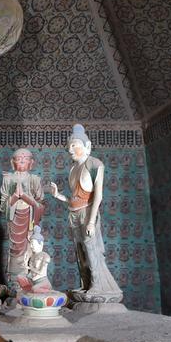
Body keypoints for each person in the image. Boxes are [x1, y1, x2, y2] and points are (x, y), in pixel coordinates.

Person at [49, 124, 122, 299]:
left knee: (91, 248)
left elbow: (98, 196)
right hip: (73, 213)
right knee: (79, 249)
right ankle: (86, 283)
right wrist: (58, 195)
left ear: (87, 146)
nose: (70, 149)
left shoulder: (94, 164)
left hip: (88, 213)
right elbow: (74, 198)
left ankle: (98, 285)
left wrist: (91, 221)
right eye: (69, 146)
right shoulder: (73, 169)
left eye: (74, 145)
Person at [0, 148, 45, 280]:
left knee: (30, 249)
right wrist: (14, 196)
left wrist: (26, 197)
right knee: (14, 250)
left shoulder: (34, 179)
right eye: (19, 160)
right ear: (12, 162)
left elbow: (41, 205)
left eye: (25, 160)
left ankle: (29, 277)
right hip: (14, 221)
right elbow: (3, 206)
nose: (22, 163)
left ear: (31, 163)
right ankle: (15, 281)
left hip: (29, 221)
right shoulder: (8, 179)